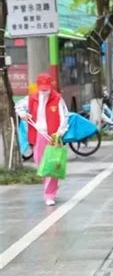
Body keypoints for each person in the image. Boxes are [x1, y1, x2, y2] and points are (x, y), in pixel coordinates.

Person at [15, 73, 68, 206]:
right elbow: (19, 105)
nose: (44, 91)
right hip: (38, 135)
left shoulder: (57, 99)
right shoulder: (32, 98)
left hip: (52, 136)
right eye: (42, 88)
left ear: (50, 86)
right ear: (38, 86)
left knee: (51, 163)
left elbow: (64, 116)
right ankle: (50, 188)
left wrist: (60, 132)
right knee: (41, 165)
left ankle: (49, 194)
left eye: (46, 87)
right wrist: (22, 114)